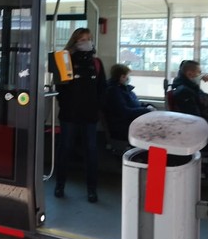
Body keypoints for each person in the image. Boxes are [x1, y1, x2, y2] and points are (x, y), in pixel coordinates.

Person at [54, 27, 106, 203]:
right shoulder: (65, 60)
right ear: (75, 42)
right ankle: (60, 184)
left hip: (90, 114)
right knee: (65, 149)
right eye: (82, 39)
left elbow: (102, 88)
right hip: (69, 113)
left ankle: (92, 189)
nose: (86, 42)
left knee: (91, 151)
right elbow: (60, 87)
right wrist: (66, 104)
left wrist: (97, 107)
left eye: (88, 39)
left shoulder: (96, 63)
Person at [104, 63, 155, 141]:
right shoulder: (113, 92)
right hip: (123, 126)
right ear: (122, 77)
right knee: (154, 131)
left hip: (131, 122)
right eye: (128, 76)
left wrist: (147, 105)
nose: (128, 78)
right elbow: (124, 112)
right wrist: (147, 111)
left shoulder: (124, 89)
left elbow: (135, 103)